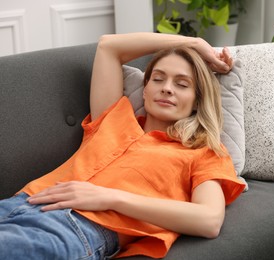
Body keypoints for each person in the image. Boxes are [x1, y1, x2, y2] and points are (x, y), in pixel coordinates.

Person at [0, 32, 245, 259]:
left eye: (182, 84)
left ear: (196, 101)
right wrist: (194, 43)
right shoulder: (113, 117)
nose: (167, 88)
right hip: (21, 202)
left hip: (76, 228)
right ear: (146, 90)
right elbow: (109, 46)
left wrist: (109, 198)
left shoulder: (203, 152)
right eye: (158, 79)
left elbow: (209, 220)